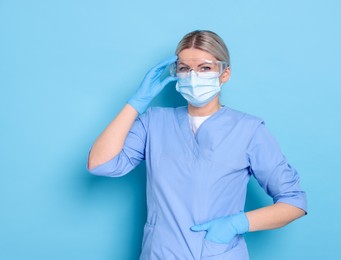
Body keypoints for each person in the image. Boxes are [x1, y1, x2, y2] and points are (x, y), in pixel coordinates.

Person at [87, 30, 307, 260]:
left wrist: (236, 224)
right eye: (184, 68)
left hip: (217, 253)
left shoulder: (249, 130)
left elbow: (294, 202)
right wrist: (136, 103)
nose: (193, 77)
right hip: (160, 254)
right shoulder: (153, 122)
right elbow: (100, 164)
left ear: (224, 74)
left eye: (204, 68)